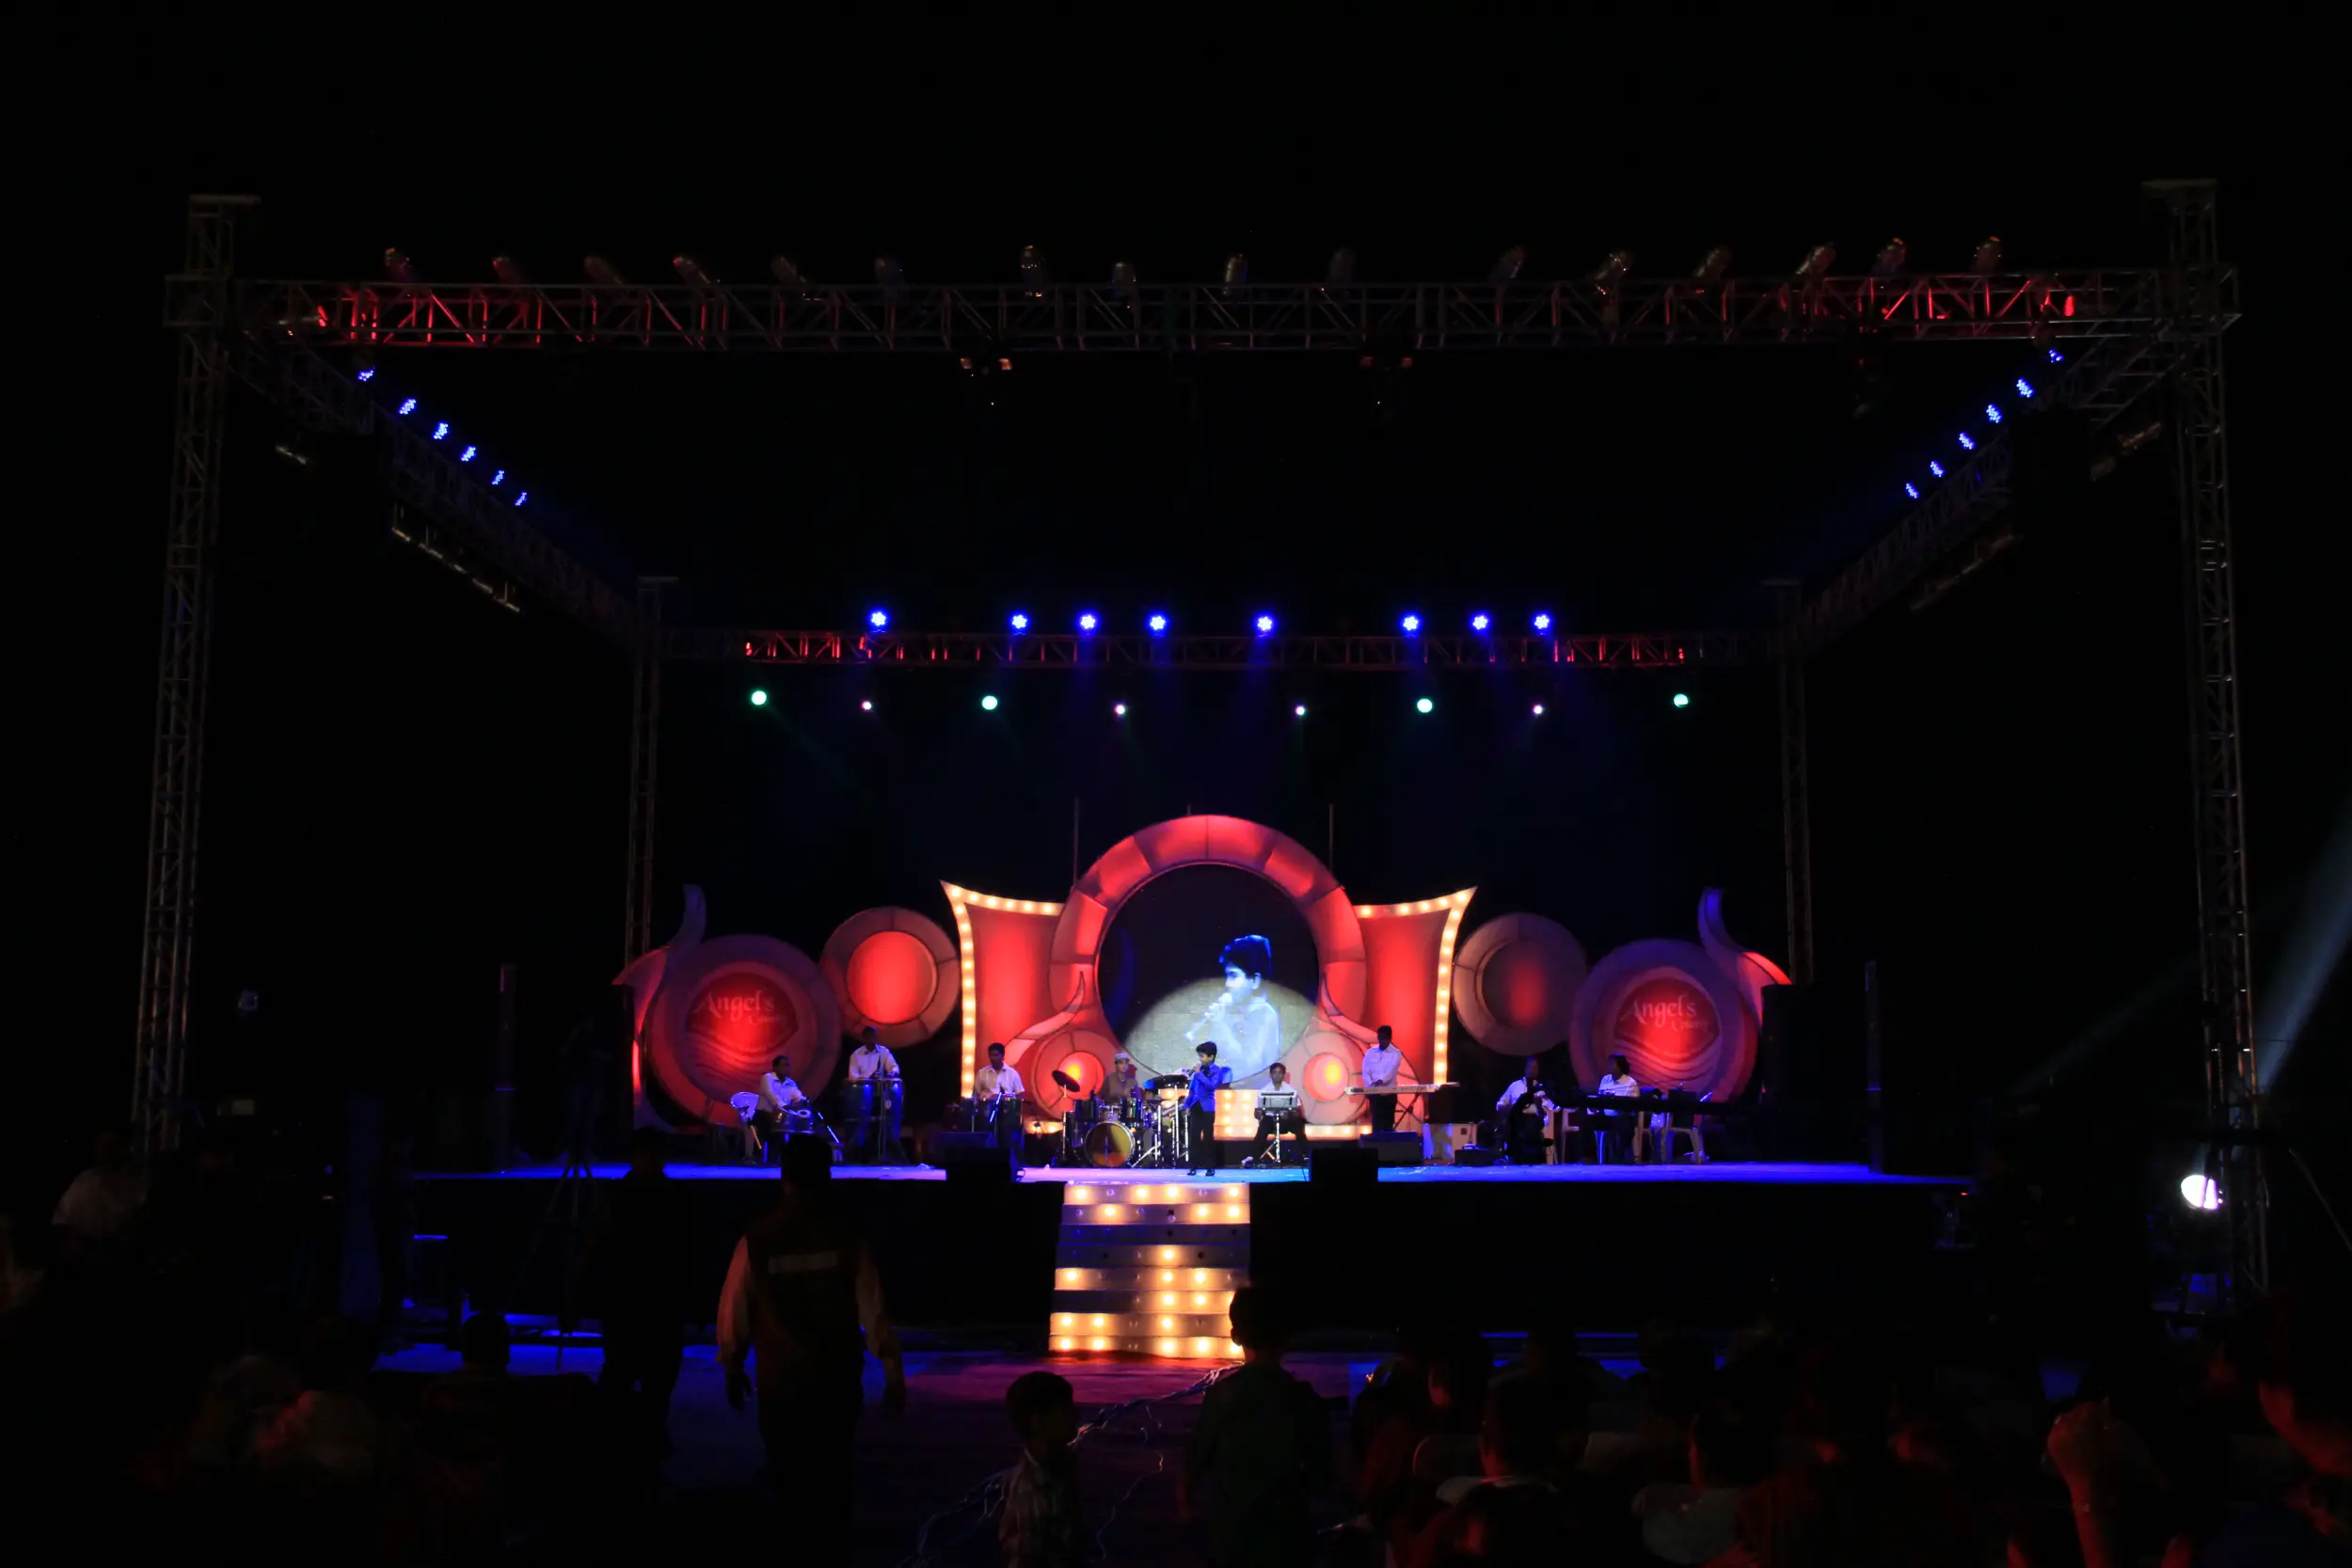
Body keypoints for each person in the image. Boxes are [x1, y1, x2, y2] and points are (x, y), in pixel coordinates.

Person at [720, 1135, 905, 1560]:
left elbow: (735, 1307)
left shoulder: (758, 1238)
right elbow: (873, 1309)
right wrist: (893, 1373)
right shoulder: (846, 1236)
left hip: (781, 1381)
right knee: (833, 1480)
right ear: (828, 1177)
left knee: (787, 1481)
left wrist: (732, 1364)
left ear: (784, 1180)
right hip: (835, 1380)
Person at [1182, 1288, 1330, 1567]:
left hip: (1232, 1538)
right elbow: (1322, 1477)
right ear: (1286, 1338)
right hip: (1286, 1536)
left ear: (1235, 1335)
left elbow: (1197, 1457)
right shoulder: (1302, 1399)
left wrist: (1187, 1499)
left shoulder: (1222, 1396)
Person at [586, 1126, 693, 1452]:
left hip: (634, 1299)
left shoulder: (621, 1196)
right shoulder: (662, 1197)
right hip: (647, 1300)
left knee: (634, 1374)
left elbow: (596, 1244)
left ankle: (622, 1441)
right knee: (644, 1376)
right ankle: (638, 1439)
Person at [1000, 1370, 1083, 1568]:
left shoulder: (1063, 1464)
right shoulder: (1029, 1486)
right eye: (1065, 1410)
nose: (1075, 1415)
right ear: (1039, 1421)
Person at [1185, 935, 1285, 1077]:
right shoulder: (1232, 1012)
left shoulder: (1266, 1015)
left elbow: (1249, 1067)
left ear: (1255, 981)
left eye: (1233, 976)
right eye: (1227, 976)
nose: (1227, 984)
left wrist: (1220, 1025)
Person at [52, 1124, 147, 1249]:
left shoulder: (136, 1185)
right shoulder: (86, 1182)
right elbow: (61, 1223)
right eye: (104, 1147)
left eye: (113, 1146)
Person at [844, 1025, 904, 1163]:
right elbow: (852, 1076)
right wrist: (868, 1078)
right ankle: (858, 1145)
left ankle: (892, 1139)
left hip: (881, 1091)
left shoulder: (883, 1052)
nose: (872, 1039)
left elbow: (894, 1067)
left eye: (874, 1036)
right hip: (863, 1091)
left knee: (895, 1088)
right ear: (864, 1038)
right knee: (865, 1090)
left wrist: (891, 1073)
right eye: (869, 1036)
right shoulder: (856, 1055)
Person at [1184, 1041, 1233, 1174]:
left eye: (1202, 1056)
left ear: (1211, 1057)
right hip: (1195, 1106)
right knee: (1194, 1137)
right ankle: (1193, 1166)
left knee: (1208, 1137)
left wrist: (1199, 1074)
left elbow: (1211, 1085)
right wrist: (1187, 1104)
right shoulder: (1197, 1072)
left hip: (1207, 1108)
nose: (1200, 1059)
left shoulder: (1217, 1071)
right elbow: (1192, 1089)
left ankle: (1210, 1167)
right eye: (1199, 1056)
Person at [1494, 1057, 1554, 1165]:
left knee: (1531, 1125)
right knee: (1510, 1126)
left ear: (1538, 1070)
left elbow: (1550, 1111)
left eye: (1535, 1068)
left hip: (1533, 1120)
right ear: (1525, 1069)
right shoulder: (1515, 1086)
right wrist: (1508, 1111)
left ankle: (1527, 1157)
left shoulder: (1541, 1089)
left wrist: (1539, 1105)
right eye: (1530, 1067)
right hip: (1515, 1119)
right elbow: (1500, 1105)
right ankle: (1511, 1157)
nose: (1532, 1070)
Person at [975, 1042, 1026, 1160]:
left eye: (996, 1055)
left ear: (1002, 1056)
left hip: (1007, 1110)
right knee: (987, 1134)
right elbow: (976, 1093)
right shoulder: (982, 1073)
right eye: (991, 1055)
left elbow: (1020, 1093)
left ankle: (1007, 1159)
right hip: (987, 1110)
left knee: (1006, 1135)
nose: (993, 1058)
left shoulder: (1012, 1074)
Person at [1248, 1063, 1305, 1165]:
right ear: (1270, 1074)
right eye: (1275, 1073)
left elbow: (1298, 1112)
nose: (1277, 1075)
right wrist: (1260, 1116)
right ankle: (1254, 1157)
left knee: (1298, 1124)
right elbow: (1256, 1113)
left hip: (1286, 1121)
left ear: (1284, 1074)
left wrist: (1290, 1114)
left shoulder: (1291, 1090)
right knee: (1264, 1125)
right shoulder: (1264, 1090)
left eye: (1280, 1073)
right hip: (1270, 1121)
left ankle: (1304, 1155)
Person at [753, 1053, 806, 1161]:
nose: (787, 1068)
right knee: (768, 1135)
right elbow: (770, 1094)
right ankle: (758, 1162)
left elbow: (797, 1095)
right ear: (775, 1067)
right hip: (764, 1115)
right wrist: (784, 1106)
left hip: (781, 1117)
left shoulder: (791, 1083)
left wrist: (804, 1101)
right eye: (784, 1065)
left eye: (788, 1065)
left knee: (785, 1133)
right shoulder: (767, 1078)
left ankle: (776, 1164)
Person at [1360, 1023, 1406, 1134]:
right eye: (1380, 1039)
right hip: (1374, 1093)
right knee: (1376, 1123)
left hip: (1389, 1093)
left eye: (1384, 1039)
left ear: (1390, 1039)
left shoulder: (1396, 1053)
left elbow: (1391, 1070)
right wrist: (1371, 1085)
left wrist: (1381, 1081)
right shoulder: (1371, 1053)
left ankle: (1388, 1149)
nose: (1382, 1041)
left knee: (1388, 1124)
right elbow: (1365, 1070)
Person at [1597, 1053, 1641, 1164]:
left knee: (1626, 1127)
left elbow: (1632, 1106)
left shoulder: (1631, 1083)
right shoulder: (1605, 1080)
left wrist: (1615, 1100)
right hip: (1606, 1117)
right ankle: (1586, 1158)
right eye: (1609, 1063)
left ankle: (1617, 1158)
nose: (1609, 1066)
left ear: (1621, 1066)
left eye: (1612, 1064)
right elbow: (1599, 1098)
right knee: (1586, 1122)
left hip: (1622, 1116)